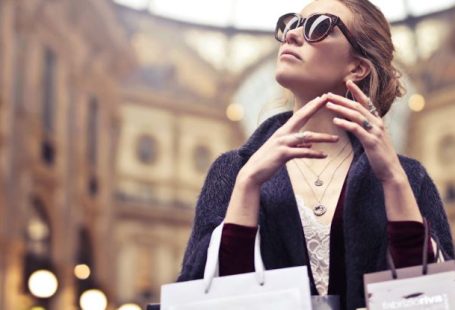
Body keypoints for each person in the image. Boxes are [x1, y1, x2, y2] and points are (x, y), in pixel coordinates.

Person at [177, 0, 454, 309]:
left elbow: (432, 296)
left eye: (318, 27)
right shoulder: (234, 169)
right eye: (290, 24)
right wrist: (247, 185)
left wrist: (394, 182)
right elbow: (205, 293)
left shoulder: (409, 177)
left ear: (357, 67)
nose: (292, 36)